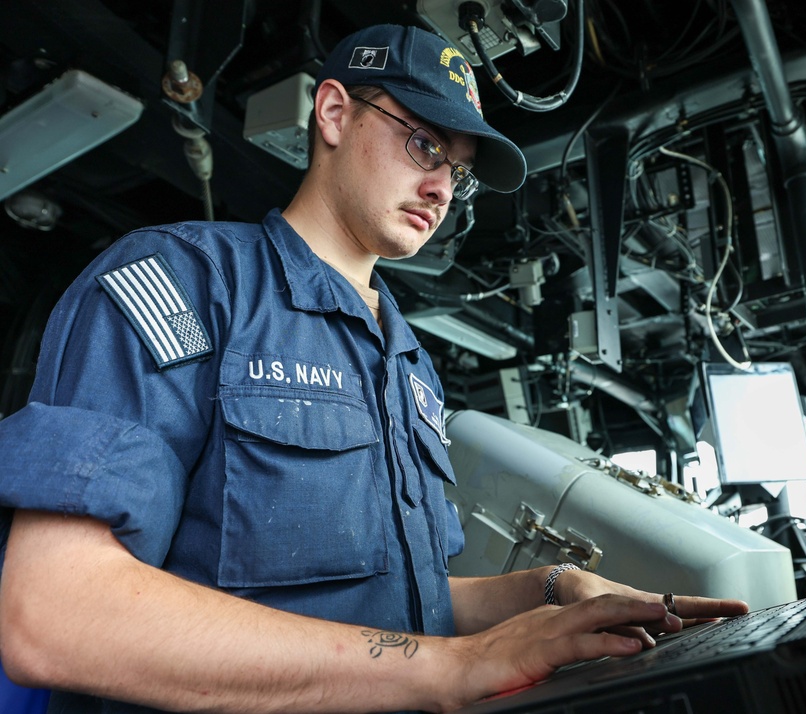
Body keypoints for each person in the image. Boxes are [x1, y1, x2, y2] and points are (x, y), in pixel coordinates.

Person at [0, 23, 748, 713]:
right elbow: (58, 613)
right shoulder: (187, 283)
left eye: (459, 172)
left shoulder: (409, 359)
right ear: (332, 112)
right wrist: (451, 667)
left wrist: (552, 590)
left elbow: (391, 596)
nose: (443, 190)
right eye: (425, 145)